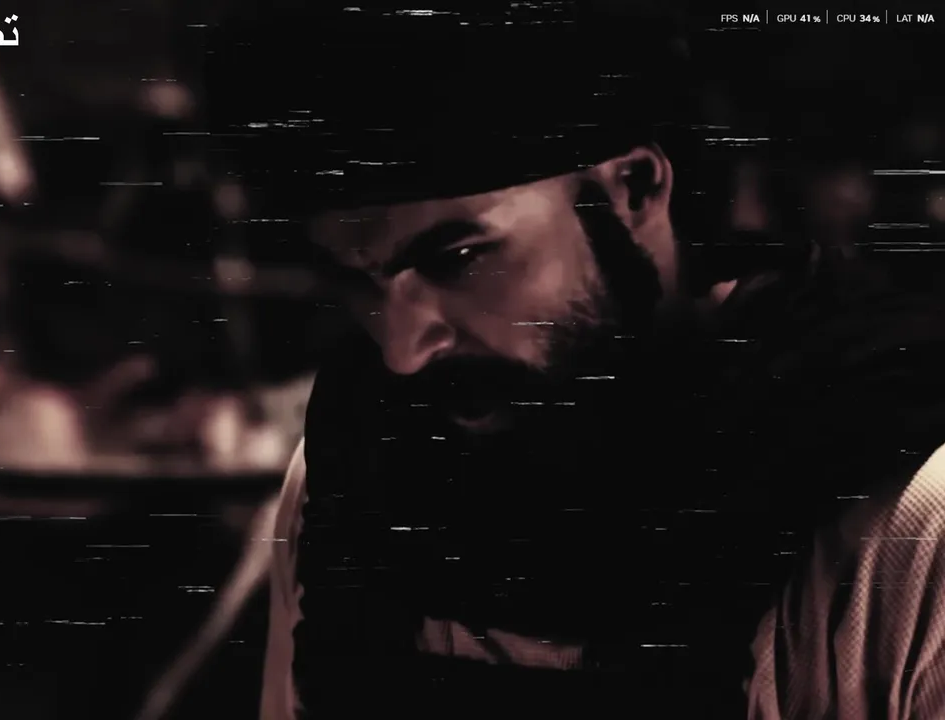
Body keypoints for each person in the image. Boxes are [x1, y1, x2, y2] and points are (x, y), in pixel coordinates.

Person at [200, 3, 945, 719]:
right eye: (356, 280)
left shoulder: (906, 515)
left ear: (634, 189)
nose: (402, 351)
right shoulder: (352, 464)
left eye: (458, 257)